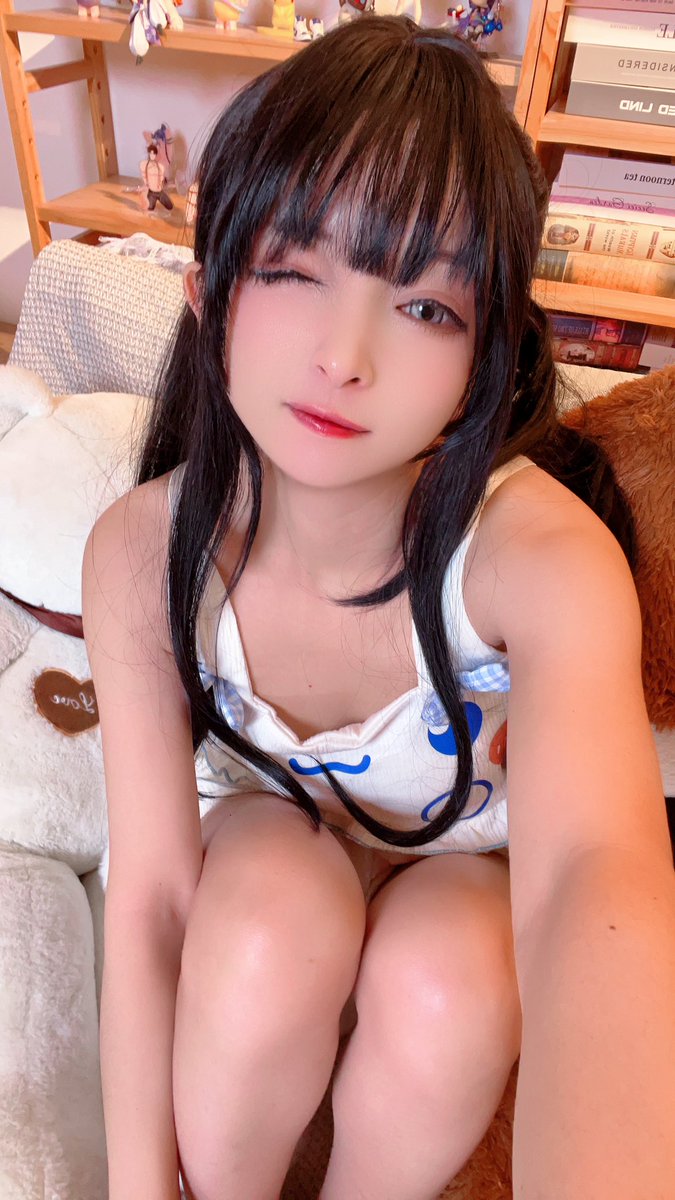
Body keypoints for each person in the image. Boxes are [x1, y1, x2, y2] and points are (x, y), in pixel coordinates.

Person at [82, 16, 675, 1200]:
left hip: (458, 877)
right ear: (206, 291)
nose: (345, 356)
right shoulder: (147, 551)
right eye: (294, 269)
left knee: (456, 978)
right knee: (268, 917)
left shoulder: (540, 562)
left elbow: (593, 887)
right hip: (268, 851)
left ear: (483, 366)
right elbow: (149, 903)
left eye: (426, 308)